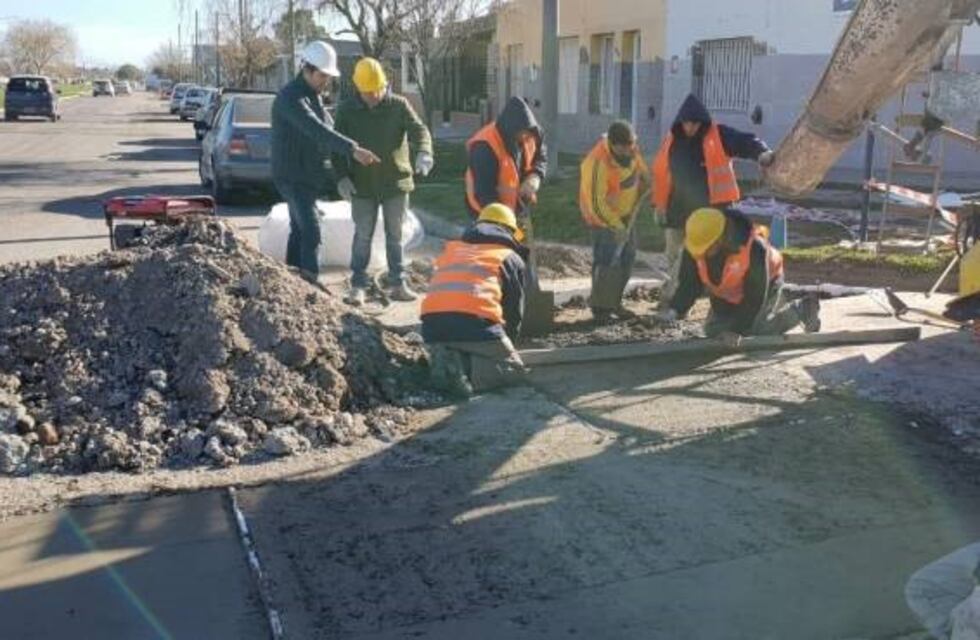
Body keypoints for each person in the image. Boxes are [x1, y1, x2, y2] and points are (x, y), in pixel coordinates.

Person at [271, 41, 379, 284]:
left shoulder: (313, 95)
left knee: (299, 230)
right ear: (307, 70)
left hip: (307, 176)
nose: (326, 81)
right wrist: (353, 149)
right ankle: (309, 284)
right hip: (292, 176)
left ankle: (290, 282)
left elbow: (328, 127)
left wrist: (353, 145)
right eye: (322, 76)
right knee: (311, 231)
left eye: (329, 77)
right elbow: (316, 129)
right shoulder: (291, 98)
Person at [651, 93, 774, 307]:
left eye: (694, 124)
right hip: (678, 212)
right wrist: (660, 206)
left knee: (699, 257)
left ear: (702, 122)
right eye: (686, 124)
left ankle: (679, 301)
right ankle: (678, 296)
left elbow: (746, 141)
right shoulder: (672, 141)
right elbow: (662, 175)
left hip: (709, 213)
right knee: (674, 257)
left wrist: (761, 153)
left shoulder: (718, 135)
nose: (690, 128)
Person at [334, 57, 434, 305]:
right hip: (362, 186)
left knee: (395, 236)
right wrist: (342, 177)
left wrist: (424, 152)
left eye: (376, 90)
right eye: (367, 92)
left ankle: (397, 282)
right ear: (358, 89)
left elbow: (420, 130)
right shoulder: (347, 110)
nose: (373, 96)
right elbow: (336, 147)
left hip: (395, 184)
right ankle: (358, 284)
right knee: (363, 235)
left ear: (384, 83)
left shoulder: (399, 105)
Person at [659, 207, 820, 345]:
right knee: (713, 331)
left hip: (766, 281)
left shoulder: (755, 249)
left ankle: (802, 309)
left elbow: (755, 297)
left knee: (754, 331)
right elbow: (689, 283)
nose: (701, 255)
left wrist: (738, 330)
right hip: (728, 289)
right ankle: (740, 324)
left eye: (706, 249)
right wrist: (675, 309)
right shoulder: (696, 245)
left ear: (720, 238)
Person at [421, 203, 529, 395]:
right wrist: (508, 343)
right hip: (476, 324)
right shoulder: (509, 257)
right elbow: (514, 310)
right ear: (510, 230)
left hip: (431, 326)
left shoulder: (451, 249)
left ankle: (448, 358)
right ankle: (466, 373)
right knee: (515, 373)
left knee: (464, 340)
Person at [579, 120, 650, 320]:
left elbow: (640, 169)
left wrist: (646, 180)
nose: (629, 151)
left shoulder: (631, 149)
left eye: (631, 146)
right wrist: (616, 226)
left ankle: (615, 303)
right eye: (624, 148)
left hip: (627, 215)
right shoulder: (597, 162)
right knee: (607, 261)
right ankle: (601, 309)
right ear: (613, 144)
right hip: (603, 220)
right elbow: (596, 203)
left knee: (627, 258)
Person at [465, 97, 547, 220]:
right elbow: (484, 193)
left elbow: (541, 156)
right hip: (486, 215)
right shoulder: (484, 147)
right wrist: (504, 223)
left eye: (527, 134)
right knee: (492, 239)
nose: (525, 138)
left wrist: (535, 176)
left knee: (518, 238)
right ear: (510, 131)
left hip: (517, 210)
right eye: (522, 134)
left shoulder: (533, 133)